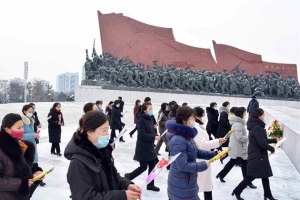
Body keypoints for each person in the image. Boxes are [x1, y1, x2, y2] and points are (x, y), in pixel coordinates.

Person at [64, 111, 142, 200]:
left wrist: (127, 185)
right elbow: (86, 197)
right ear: (89, 133)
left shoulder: (103, 153)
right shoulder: (78, 163)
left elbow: (113, 176)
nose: (107, 134)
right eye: (104, 130)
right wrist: (122, 196)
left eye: (108, 129)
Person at [166, 106, 217, 200]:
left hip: (187, 182)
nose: (194, 120)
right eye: (192, 118)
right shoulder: (178, 139)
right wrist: (203, 165)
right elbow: (183, 166)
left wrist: (214, 154)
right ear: (184, 120)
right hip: (181, 184)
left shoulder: (186, 135)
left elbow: (196, 152)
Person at [232, 108, 279, 200]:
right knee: (251, 176)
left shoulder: (257, 126)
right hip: (257, 155)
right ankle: (237, 191)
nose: (264, 117)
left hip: (259, 154)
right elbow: (262, 143)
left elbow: (262, 140)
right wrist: (271, 148)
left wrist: (275, 140)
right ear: (259, 116)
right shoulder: (257, 127)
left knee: (265, 175)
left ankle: (268, 195)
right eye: (263, 115)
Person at [0, 113, 43, 199]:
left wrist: (34, 174)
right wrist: (22, 183)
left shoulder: (24, 146)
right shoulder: (1, 149)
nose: (22, 130)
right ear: (7, 129)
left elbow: (23, 169)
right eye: (18, 128)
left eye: (22, 127)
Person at [216, 107, 257, 188]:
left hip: (236, 147)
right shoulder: (238, 124)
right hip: (239, 148)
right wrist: (249, 138)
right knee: (244, 164)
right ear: (241, 114)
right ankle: (247, 182)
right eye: (245, 113)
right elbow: (239, 137)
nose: (245, 114)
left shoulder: (237, 123)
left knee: (233, 162)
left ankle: (221, 174)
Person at [125, 102, 161, 192]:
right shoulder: (141, 120)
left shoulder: (150, 119)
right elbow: (141, 134)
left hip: (150, 147)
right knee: (143, 166)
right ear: (145, 110)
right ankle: (128, 176)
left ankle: (150, 184)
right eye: (150, 109)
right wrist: (153, 137)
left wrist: (155, 134)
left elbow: (150, 131)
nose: (151, 110)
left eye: (152, 109)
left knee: (153, 165)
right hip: (143, 148)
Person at [194, 107, 227, 200]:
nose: (204, 116)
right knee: (199, 185)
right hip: (200, 159)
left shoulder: (199, 126)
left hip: (205, 157)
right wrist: (218, 142)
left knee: (207, 184)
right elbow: (202, 144)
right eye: (203, 114)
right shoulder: (196, 128)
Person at [29, 103, 46, 186]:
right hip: (28, 143)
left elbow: (37, 120)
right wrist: (32, 135)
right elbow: (21, 134)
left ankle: (38, 178)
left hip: (33, 140)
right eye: (30, 110)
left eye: (33, 110)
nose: (32, 111)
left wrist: (38, 126)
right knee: (30, 162)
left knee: (35, 161)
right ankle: (31, 178)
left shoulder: (33, 115)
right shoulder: (23, 121)